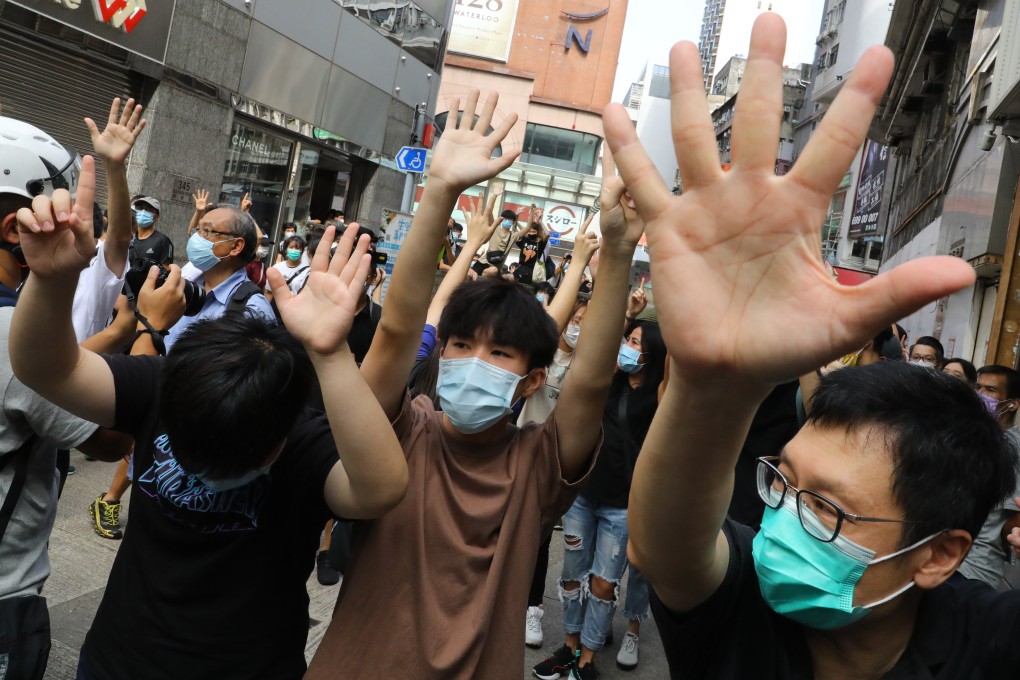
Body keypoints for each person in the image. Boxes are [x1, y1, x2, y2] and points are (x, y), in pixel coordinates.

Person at [606, 14, 1019, 679]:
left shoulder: (991, 642)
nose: (786, 525)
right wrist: (713, 384)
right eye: (782, 483)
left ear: (939, 554)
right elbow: (663, 548)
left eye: (826, 509)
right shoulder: (741, 604)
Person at [10, 160, 410, 678]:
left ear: (283, 436)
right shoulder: (165, 382)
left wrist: (330, 353)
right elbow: (45, 368)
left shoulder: (302, 443)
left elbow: (382, 487)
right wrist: (51, 279)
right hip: (117, 660)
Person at [305, 90, 643, 679]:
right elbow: (398, 329)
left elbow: (589, 382)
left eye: (500, 352)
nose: (473, 360)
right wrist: (439, 191)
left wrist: (616, 250)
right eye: (462, 345)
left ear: (531, 382)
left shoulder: (538, 464)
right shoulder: (403, 428)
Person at [0, 120, 132, 680]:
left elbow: (118, 244)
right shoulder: (11, 336)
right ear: (16, 230)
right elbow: (111, 439)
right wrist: (137, 338)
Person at [534, 320, 666, 679]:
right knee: (572, 576)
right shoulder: (610, 381)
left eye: (636, 343)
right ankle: (571, 646)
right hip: (583, 496)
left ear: (653, 354)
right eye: (628, 339)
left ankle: (587, 658)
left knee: (604, 583)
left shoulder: (658, 395)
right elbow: (597, 350)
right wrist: (623, 318)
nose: (628, 347)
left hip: (622, 506)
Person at [165, 205, 273, 353]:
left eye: (207, 230)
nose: (197, 238)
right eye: (198, 230)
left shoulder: (252, 310)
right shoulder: (184, 289)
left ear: (235, 246)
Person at [959, 365, 1020, 587]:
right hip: (946, 559)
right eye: (978, 387)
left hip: (972, 569)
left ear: (1012, 404)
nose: (981, 395)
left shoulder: (1012, 449)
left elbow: (1012, 522)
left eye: (991, 390)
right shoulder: (977, 438)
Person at [127, 195, 173, 268]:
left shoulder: (162, 241)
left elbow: (167, 269)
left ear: (157, 217)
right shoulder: (129, 237)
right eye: (140, 208)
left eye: (148, 210)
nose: (143, 212)